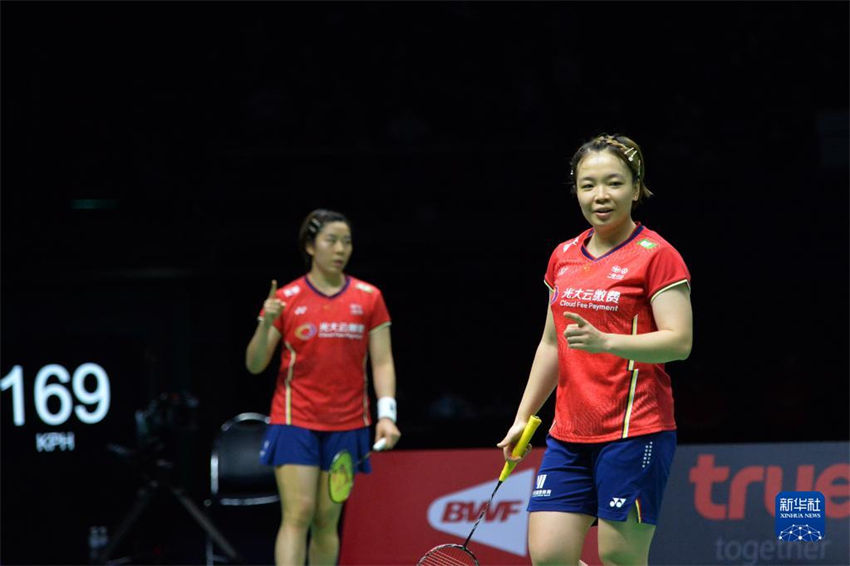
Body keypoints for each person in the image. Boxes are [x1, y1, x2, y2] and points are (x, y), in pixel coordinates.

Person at [497, 134, 693, 566]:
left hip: (634, 429)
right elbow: (552, 343)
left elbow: (679, 342)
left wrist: (607, 343)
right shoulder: (564, 256)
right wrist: (522, 417)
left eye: (614, 183)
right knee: (549, 556)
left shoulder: (657, 256)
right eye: (588, 185)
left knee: (619, 558)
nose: (600, 196)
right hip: (569, 434)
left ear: (636, 188)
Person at [246, 208, 401, 566]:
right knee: (298, 514)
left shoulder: (369, 297)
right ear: (310, 246)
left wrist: (387, 415)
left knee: (326, 520)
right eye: (331, 240)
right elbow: (255, 364)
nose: (340, 249)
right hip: (294, 419)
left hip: (347, 424)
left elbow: (382, 361)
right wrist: (266, 323)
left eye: (346, 241)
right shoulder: (285, 298)